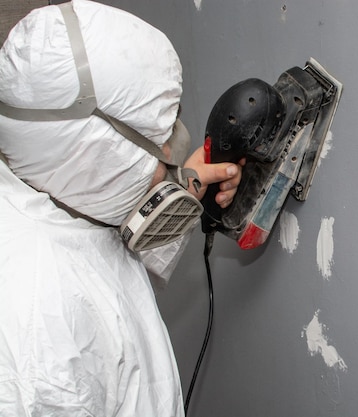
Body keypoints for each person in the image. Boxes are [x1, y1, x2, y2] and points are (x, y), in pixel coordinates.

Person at [0, 1, 243, 415]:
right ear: (99, 154)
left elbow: (105, 260)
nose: (173, 147)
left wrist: (188, 183)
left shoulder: (52, 191)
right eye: (161, 134)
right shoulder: (36, 340)